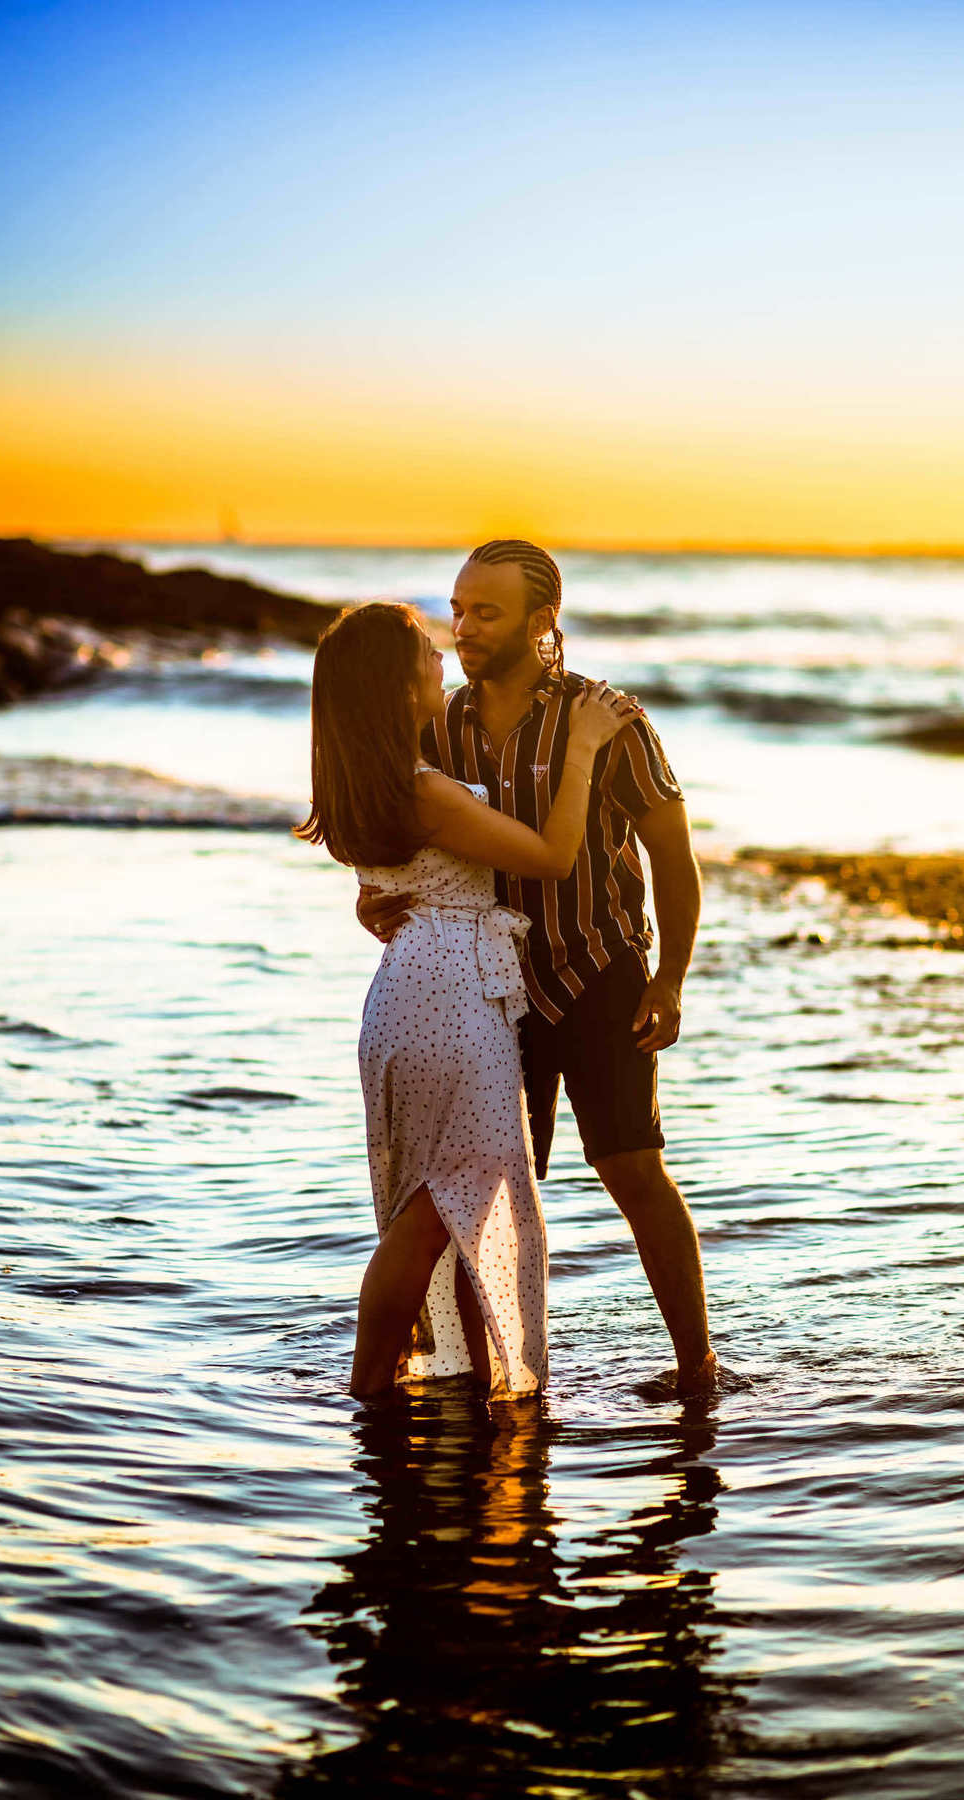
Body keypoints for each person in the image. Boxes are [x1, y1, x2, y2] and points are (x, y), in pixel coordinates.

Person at [358, 541, 716, 1395]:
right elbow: (396, 819)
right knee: (470, 1190)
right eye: (458, 609)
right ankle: (482, 1377)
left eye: (487, 612)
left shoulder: (608, 720)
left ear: (541, 620)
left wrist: (670, 979)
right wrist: (375, 897)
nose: (464, 628)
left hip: (600, 974)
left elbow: (674, 854)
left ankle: (697, 1366)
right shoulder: (438, 724)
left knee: (633, 1168)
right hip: (488, 990)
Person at [296, 601, 636, 1400]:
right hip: (453, 997)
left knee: (439, 1199)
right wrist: (583, 745)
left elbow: (389, 887)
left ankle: (463, 1372)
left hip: (405, 997)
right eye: (424, 646)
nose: (441, 652)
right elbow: (552, 857)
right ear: (395, 680)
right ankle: (369, 1388)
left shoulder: (362, 786)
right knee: (436, 1204)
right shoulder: (422, 790)